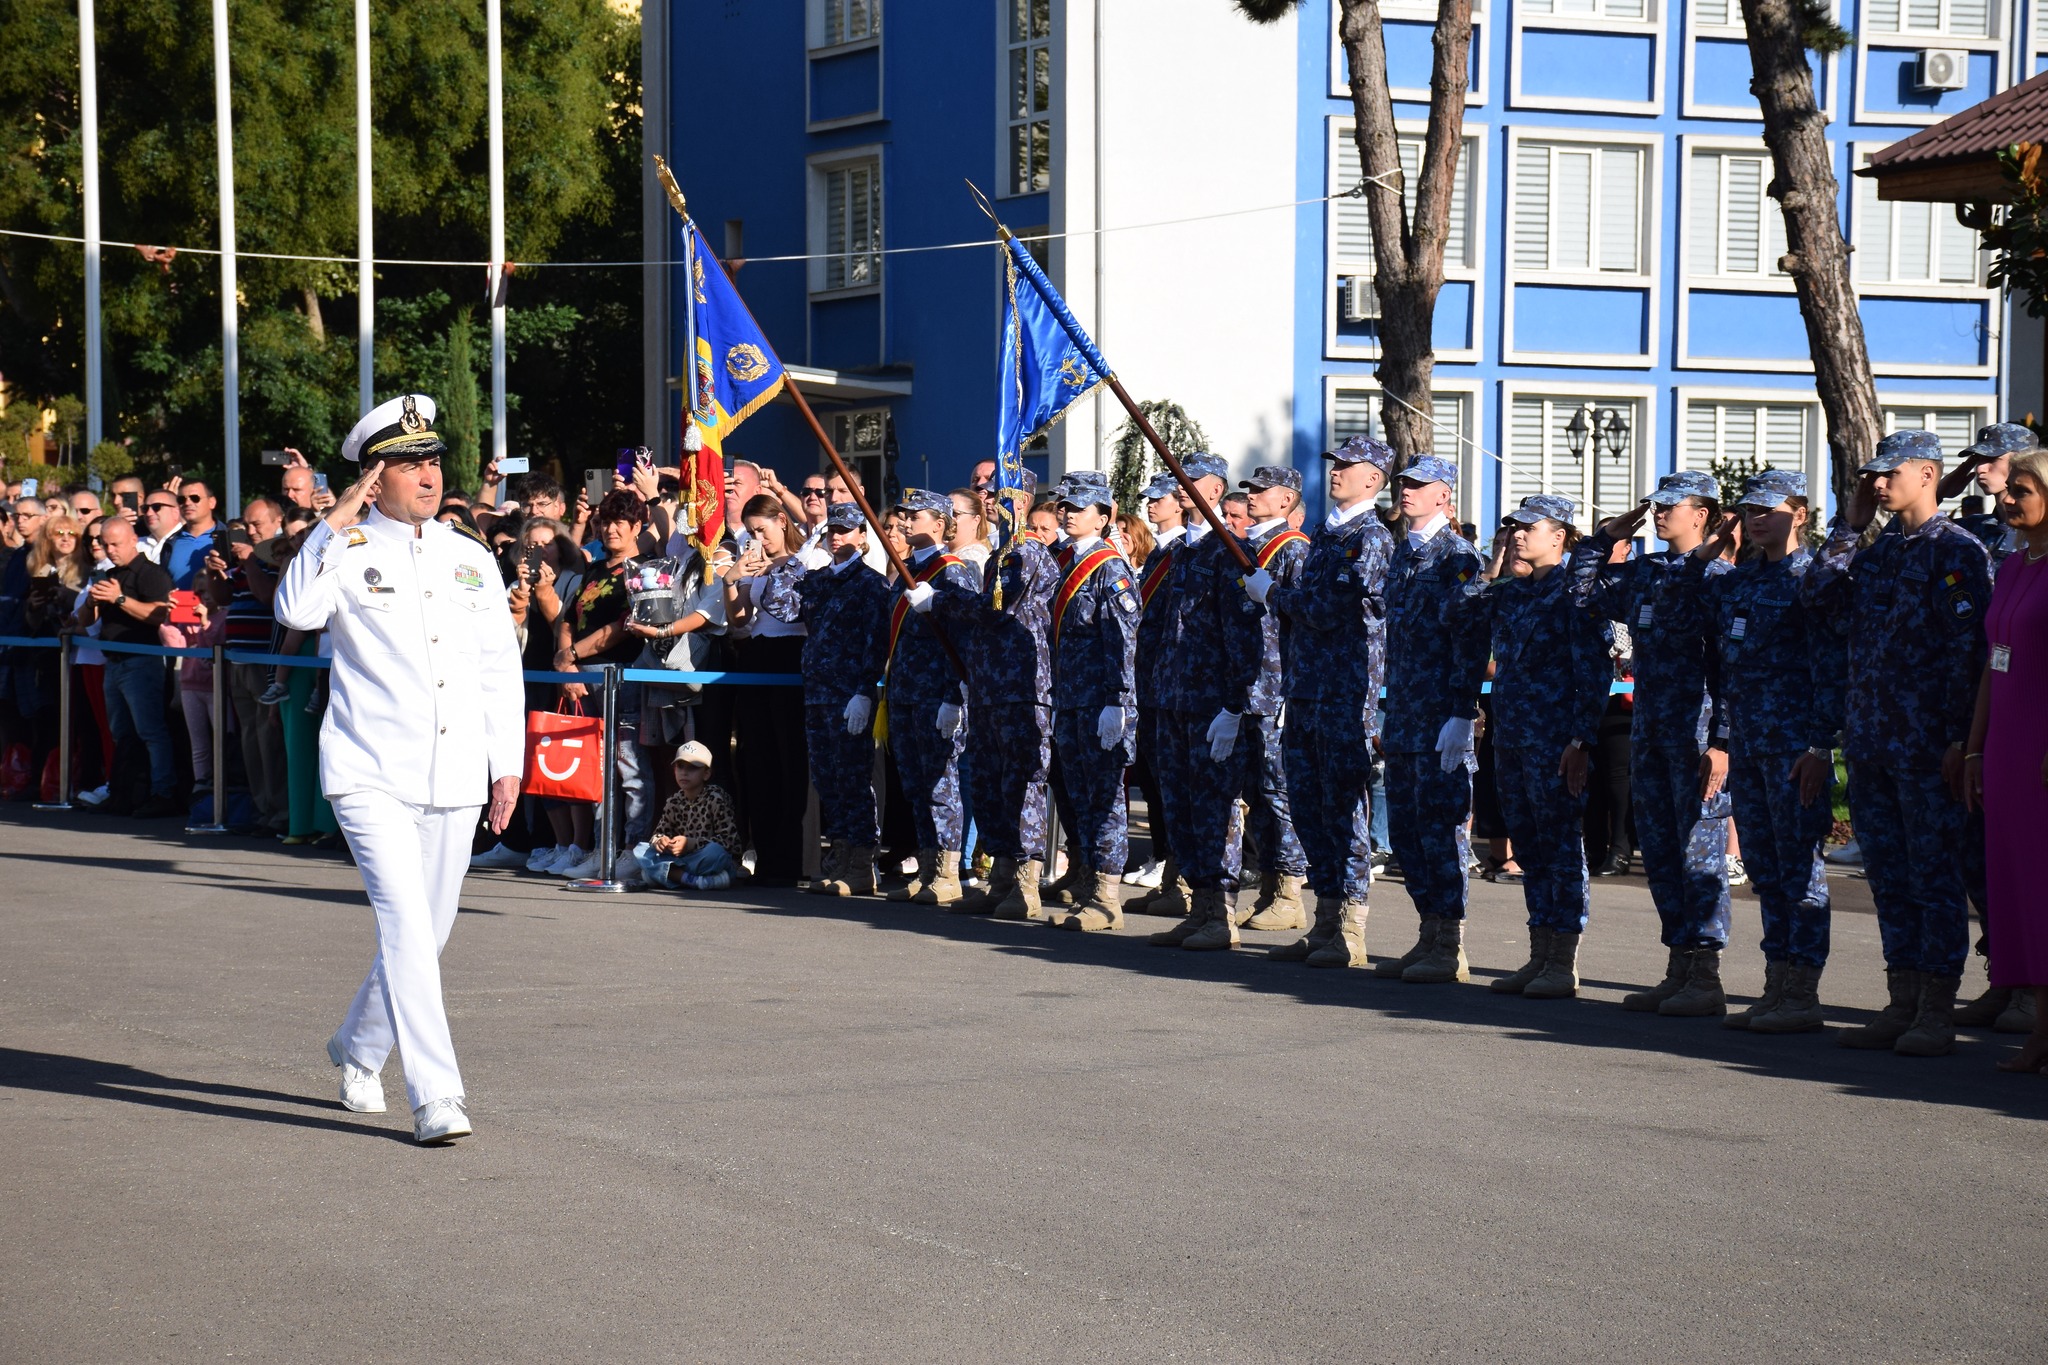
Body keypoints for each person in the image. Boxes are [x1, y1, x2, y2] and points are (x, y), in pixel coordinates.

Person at [275, 393, 524, 1144]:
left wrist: (506, 763)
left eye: (433, 460)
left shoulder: (467, 554)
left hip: (455, 770)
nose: (427, 474)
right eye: (409, 463)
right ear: (372, 477)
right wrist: (330, 524)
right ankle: (437, 1096)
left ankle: (358, 1046)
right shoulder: (344, 548)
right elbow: (295, 612)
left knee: (428, 934)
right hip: (370, 768)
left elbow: (497, 667)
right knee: (408, 927)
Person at [1803, 429, 1992, 1056]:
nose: (1878, 485)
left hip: (1927, 745)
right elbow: (1819, 600)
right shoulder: (1878, 551)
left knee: (1934, 876)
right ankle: (1901, 998)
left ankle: (1937, 1007)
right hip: (1871, 741)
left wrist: (1960, 739)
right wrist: (1849, 527)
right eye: (1872, 476)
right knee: (1888, 875)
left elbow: (1969, 654)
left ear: (1928, 474)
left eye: (1890, 474)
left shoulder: (1956, 550)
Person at [1569, 471, 1735, 1016]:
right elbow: (1582, 593)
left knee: (1699, 853)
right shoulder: (1646, 572)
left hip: (1696, 734)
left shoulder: (1719, 578)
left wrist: (1722, 740)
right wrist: (1604, 537)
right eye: (1655, 506)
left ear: (1701, 515)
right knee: (1660, 852)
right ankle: (1678, 966)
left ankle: (1706, 975)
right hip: (1651, 733)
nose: (1659, 514)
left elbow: (1731, 667)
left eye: (1670, 506)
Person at [1690, 470, 1841, 1033]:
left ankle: (1803, 992)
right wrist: (1724, 740)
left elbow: (1830, 668)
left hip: (1795, 747)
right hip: (1749, 746)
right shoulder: (1740, 581)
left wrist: (1820, 744)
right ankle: (1777, 984)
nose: (1755, 518)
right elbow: (1722, 662)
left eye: (1767, 509)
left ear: (1799, 514)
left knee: (1800, 869)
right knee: (1765, 870)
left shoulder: (1814, 579)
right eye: (1748, 510)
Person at [1252, 437, 1396, 967]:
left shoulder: (1371, 538)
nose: (1335, 472)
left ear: (1373, 479)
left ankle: (1351, 930)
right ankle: (1326, 921)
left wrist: (1272, 593)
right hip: (1306, 690)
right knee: (1309, 809)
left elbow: (1327, 610)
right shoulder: (1326, 534)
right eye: (1333, 465)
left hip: (1345, 693)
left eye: (1346, 466)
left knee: (1344, 811)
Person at [1361, 453, 1490, 981]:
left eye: (1419, 484)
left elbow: (1470, 639)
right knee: (1408, 832)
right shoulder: (1403, 553)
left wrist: (1462, 712)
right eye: (1404, 483)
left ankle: (1450, 944)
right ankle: (1428, 931)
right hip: (1405, 713)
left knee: (1441, 831)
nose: (1407, 491)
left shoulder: (1457, 556)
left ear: (1444, 495)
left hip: (1440, 716)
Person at [1480, 495, 1614, 999]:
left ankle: (1562, 960)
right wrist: (1494, 568)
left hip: (1556, 742)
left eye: (1528, 528)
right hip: (1512, 737)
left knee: (1560, 849)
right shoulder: (1512, 593)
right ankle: (1539, 952)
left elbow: (1593, 669)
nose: (1517, 535)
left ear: (1559, 537)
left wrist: (1581, 739)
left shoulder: (1574, 593)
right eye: (1513, 527)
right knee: (1530, 848)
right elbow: (1462, 610)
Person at [1148, 454, 1264, 952]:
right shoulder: (1181, 552)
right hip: (1172, 699)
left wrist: (1235, 706)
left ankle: (1222, 913)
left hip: (1211, 704)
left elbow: (1245, 637)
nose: (1181, 487)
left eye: (1191, 480)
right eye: (1179, 478)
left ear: (1215, 490)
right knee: (1180, 807)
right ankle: (1199, 906)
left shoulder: (1230, 552)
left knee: (1215, 809)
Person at [1960, 443, 2048, 1067]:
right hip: (2007, 747)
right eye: (2008, 488)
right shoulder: (2014, 565)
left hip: (2042, 746)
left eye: (2023, 490)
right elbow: (1996, 662)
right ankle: (2039, 1025)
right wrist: (1974, 749)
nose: (2007, 498)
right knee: (2018, 885)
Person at [760, 502, 892, 895]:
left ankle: (862, 864)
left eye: (846, 530)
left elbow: (876, 641)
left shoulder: (870, 583)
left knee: (854, 779)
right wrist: (797, 558)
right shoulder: (817, 579)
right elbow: (779, 605)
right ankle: (840, 857)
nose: (837, 536)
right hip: (817, 694)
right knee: (827, 780)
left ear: (863, 537)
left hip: (849, 695)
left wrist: (865, 691)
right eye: (832, 530)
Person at [1030, 472, 1139, 929]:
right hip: (1071, 700)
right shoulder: (1068, 563)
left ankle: (1108, 899)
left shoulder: (1109, 568)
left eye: (1079, 507)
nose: (1068, 513)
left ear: (1104, 516)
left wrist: (1119, 700)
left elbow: (1122, 639)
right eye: (1065, 506)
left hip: (1100, 703)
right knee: (1080, 799)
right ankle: (1089, 886)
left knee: (1105, 800)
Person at [950, 489, 1059, 918]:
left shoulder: (1026, 552)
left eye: (1006, 495)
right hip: (990, 686)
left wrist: (944, 599)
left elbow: (998, 607)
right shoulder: (1002, 553)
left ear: (1025, 501)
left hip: (1020, 687)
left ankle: (1026, 885)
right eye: (993, 496)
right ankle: (1001, 878)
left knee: (1020, 784)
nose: (995, 503)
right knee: (989, 782)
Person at [881, 489, 983, 904]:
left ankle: (947, 872)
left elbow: (964, 636)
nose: (906, 521)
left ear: (940, 524)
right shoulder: (907, 569)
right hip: (905, 692)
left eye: (916, 515)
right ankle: (926, 868)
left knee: (942, 785)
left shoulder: (952, 572)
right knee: (916, 786)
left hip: (936, 694)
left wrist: (954, 696)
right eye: (904, 514)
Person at [1230, 465, 1313, 932]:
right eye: (1251, 489)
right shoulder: (1248, 546)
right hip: (1243, 687)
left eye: (1262, 490)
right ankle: (1268, 886)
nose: (1253, 495)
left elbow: (1304, 620)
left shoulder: (1293, 549)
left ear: (1286, 500)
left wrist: (1290, 692)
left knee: (1278, 793)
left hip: (1274, 686)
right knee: (1255, 796)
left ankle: (1290, 892)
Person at [720, 493, 809, 885]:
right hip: (758, 654)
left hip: (793, 653)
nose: (758, 538)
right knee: (757, 758)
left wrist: (776, 569)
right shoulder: (754, 562)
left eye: (762, 529)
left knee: (790, 758)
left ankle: (791, 860)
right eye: (751, 532)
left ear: (782, 521)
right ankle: (766, 856)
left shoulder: (806, 559)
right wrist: (732, 579)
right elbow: (738, 618)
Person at [76, 515, 180, 817]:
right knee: (121, 733)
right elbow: (86, 622)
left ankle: (163, 793)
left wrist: (119, 598)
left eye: (116, 544)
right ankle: (124, 792)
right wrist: (91, 602)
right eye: (105, 544)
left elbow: (159, 615)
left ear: (133, 540)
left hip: (142, 662)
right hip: (114, 662)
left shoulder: (151, 574)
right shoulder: (109, 574)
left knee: (151, 731)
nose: (110, 550)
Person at [1127, 473, 1187, 904]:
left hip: (1170, 682)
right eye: (1148, 499)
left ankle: (1173, 865)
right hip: (1147, 681)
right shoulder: (1158, 554)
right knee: (1151, 779)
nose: (1151, 505)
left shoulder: (1182, 550)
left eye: (1159, 499)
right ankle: (1162, 857)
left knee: (1171, 781)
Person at [635, 741, 744, 890]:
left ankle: (669, 875)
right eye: (680, 766)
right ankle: (693, 880)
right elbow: (658, 833)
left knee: (715, 852)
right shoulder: (674, 801)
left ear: (706, 773)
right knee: (641, 850)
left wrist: (690, 844)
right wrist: (661, 841)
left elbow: (729, 842)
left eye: (692, 767)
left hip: (705, 858)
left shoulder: (716, 798)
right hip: (683, 860)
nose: (684, 772)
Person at [1941, 423, 2038, 570]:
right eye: (1978, 459)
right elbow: (1910, 536)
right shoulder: (1973, 527)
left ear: (2023, 462)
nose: (1980, 468)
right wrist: (1938, 494)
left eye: (1992, 459)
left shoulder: (2039, 533)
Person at [158, 478, 220, 589]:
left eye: (195, 498)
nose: (187, 503)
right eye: (181, 500)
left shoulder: (228, 537)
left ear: (212, 502)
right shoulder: (170, 543)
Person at [947, 488, 992, 569]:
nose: (947, 519)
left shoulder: (972, 557)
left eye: (954, 514)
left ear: (976, 520)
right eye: (945, 513)